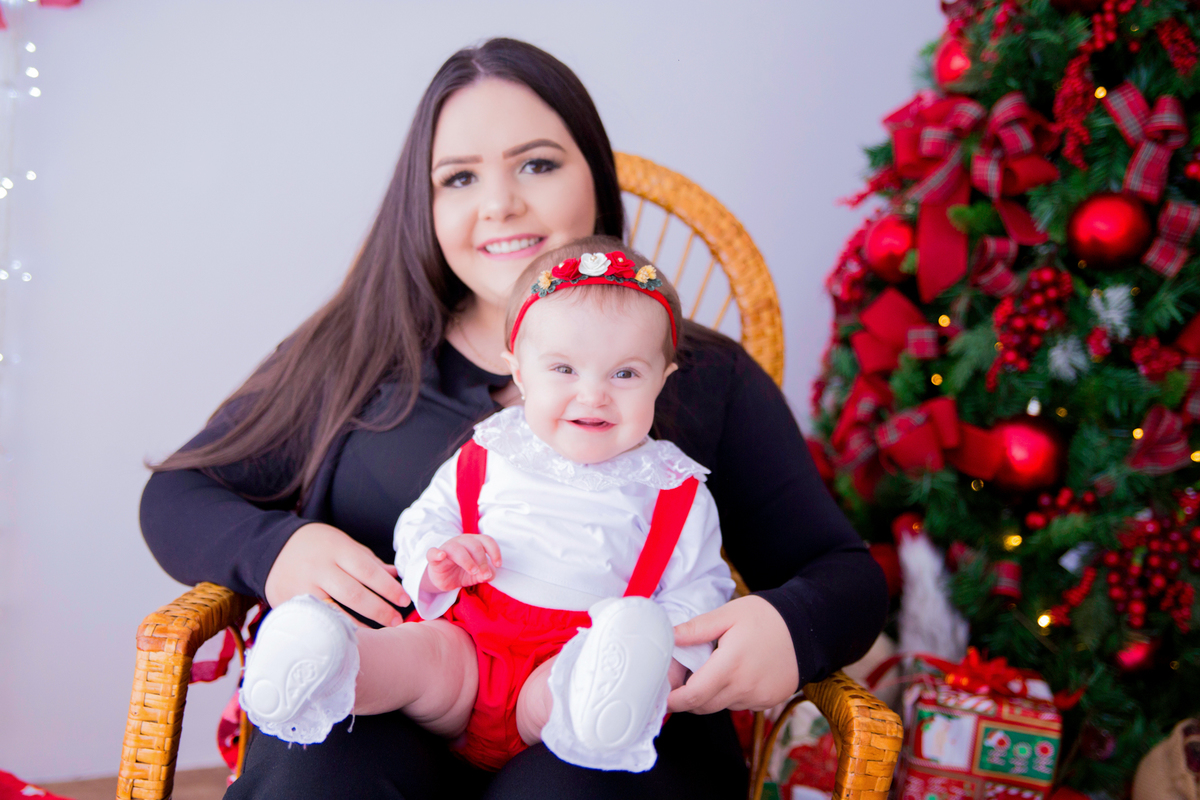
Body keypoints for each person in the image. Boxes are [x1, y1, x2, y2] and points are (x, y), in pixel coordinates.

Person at [139, 37, 887, 800]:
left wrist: (788, 627)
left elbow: (844, 574)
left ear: (595, 175)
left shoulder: (705, 376)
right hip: (402, 684)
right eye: (459, 177)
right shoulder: (356, 353)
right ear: (424, 208)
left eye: (537, 163)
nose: (499, 203)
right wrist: (278, 547)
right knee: (321, 773)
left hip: (605, 719)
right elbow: (178, 494)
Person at [238, 240, 737, 775]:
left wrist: (656, 659)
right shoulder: (493, 450)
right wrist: (440, 556)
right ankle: (327, 666)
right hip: (469, 644)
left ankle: (602, 703)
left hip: (571, 668)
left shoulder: (675, 488)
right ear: (518, 371)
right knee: (416, 653)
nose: (593, 395)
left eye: (625, 374)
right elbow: (425, 520)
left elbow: (700, 596)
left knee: (591, 679)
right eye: (564, 369)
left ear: (662, 377)